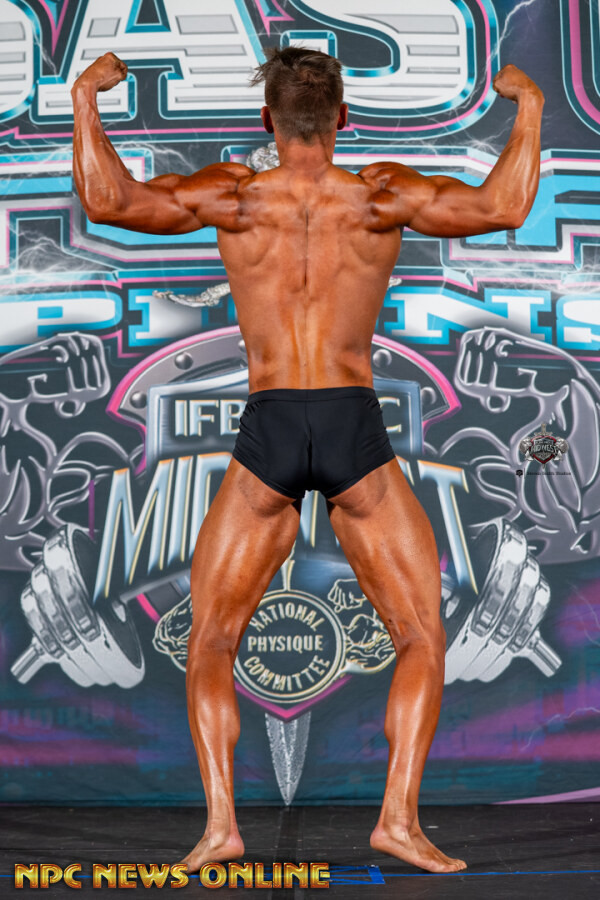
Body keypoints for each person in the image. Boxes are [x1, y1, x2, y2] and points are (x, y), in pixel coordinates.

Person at [71, 47, 543, 874]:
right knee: (420, 635)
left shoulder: (235, 197)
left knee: (213, 640)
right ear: (342, 120)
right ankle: (398, 821)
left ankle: (221, 827)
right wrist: (529, 101)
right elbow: (505, 205)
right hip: (352, 424)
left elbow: (108, 199)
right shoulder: (380, 196)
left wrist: (85, 96)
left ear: (268, 121)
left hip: (272, 428)